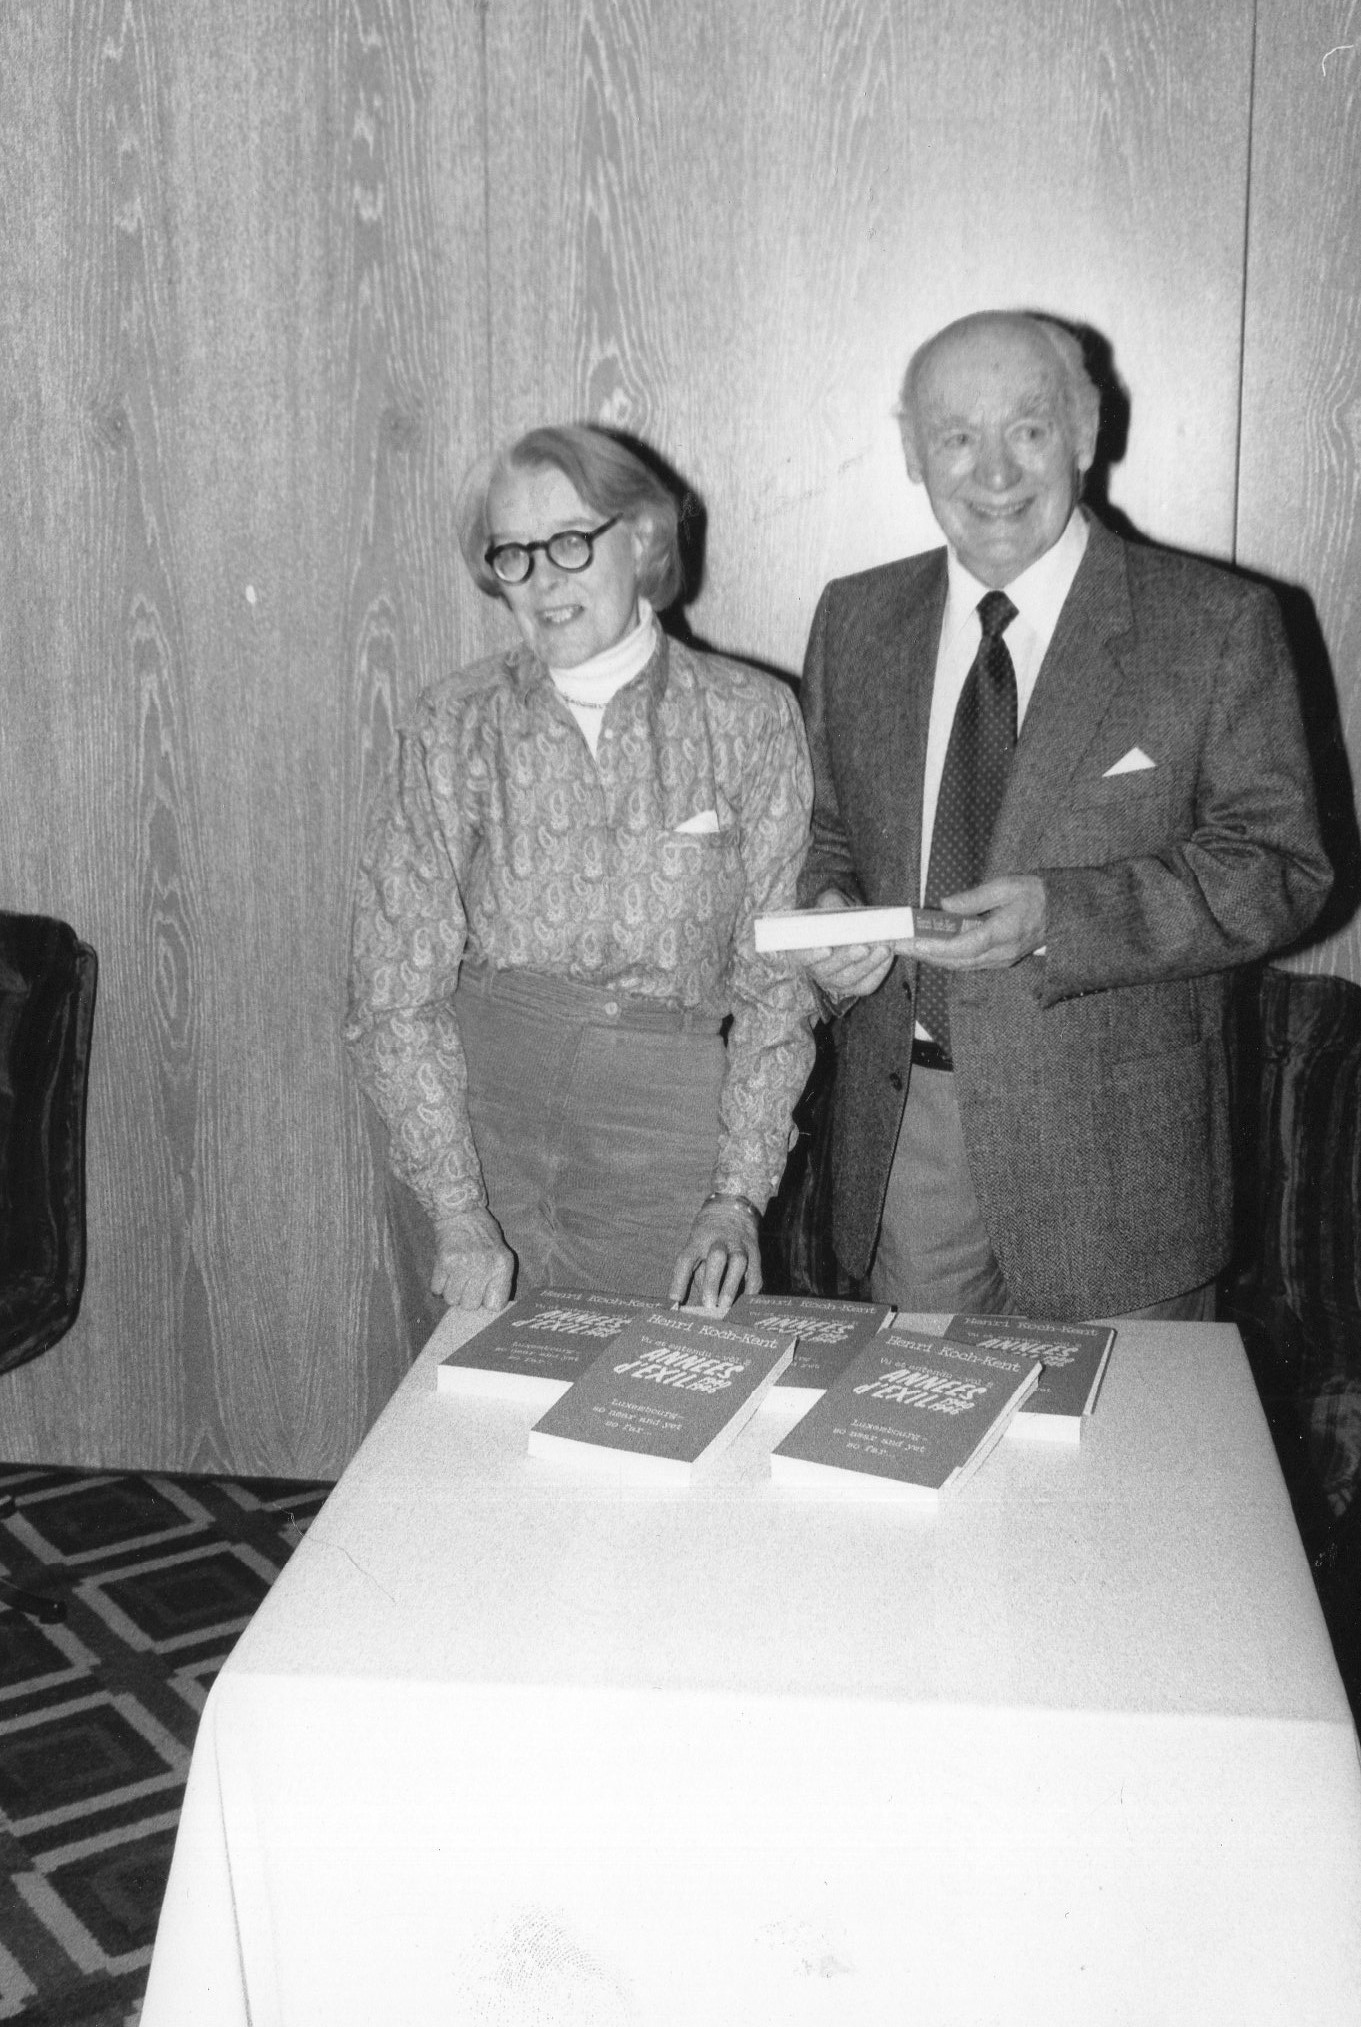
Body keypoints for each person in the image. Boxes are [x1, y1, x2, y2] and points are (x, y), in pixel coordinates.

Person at [798, 310, 1332, 1321]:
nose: (994, 470)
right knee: (917, 1415)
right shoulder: (854, 620)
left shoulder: (1213, 624)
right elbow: (831, 834)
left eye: (1028, 428)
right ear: (912, 454)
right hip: (913, 1139)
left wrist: (1062, 917)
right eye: (956, 436)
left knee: (1121, 1426)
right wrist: (831, 911)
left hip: (1119, 1160)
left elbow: (1278, 867)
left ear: (1085, 433)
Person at [346, 424, 816, 1333]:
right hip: (476, 1132)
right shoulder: (452, 724)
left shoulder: (749, 718)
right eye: (512, 555)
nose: (542, 579)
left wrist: (736, 1194)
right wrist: (457, 1207)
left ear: (640, 537)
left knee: (657, 1392)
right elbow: (392, 985)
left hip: (668, 1142)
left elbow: (778, 982)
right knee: (469, 1394)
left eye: (569, 541)